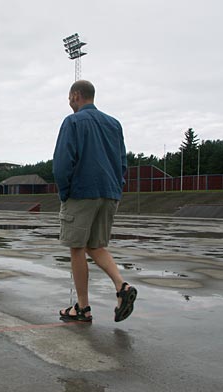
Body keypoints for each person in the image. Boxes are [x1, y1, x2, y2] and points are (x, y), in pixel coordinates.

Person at [53, 80, 137, 323]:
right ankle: (122, 286)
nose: (69, 102)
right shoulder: (114, 124)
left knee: (77, 247)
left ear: (77, 95)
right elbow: (122, 161)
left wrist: (65, 192)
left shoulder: (73, 122)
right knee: (96, 245)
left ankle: (82, 307)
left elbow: (61, 162)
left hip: (82, 192)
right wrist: (116, 186)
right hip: (109, 192)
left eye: (70, 97)